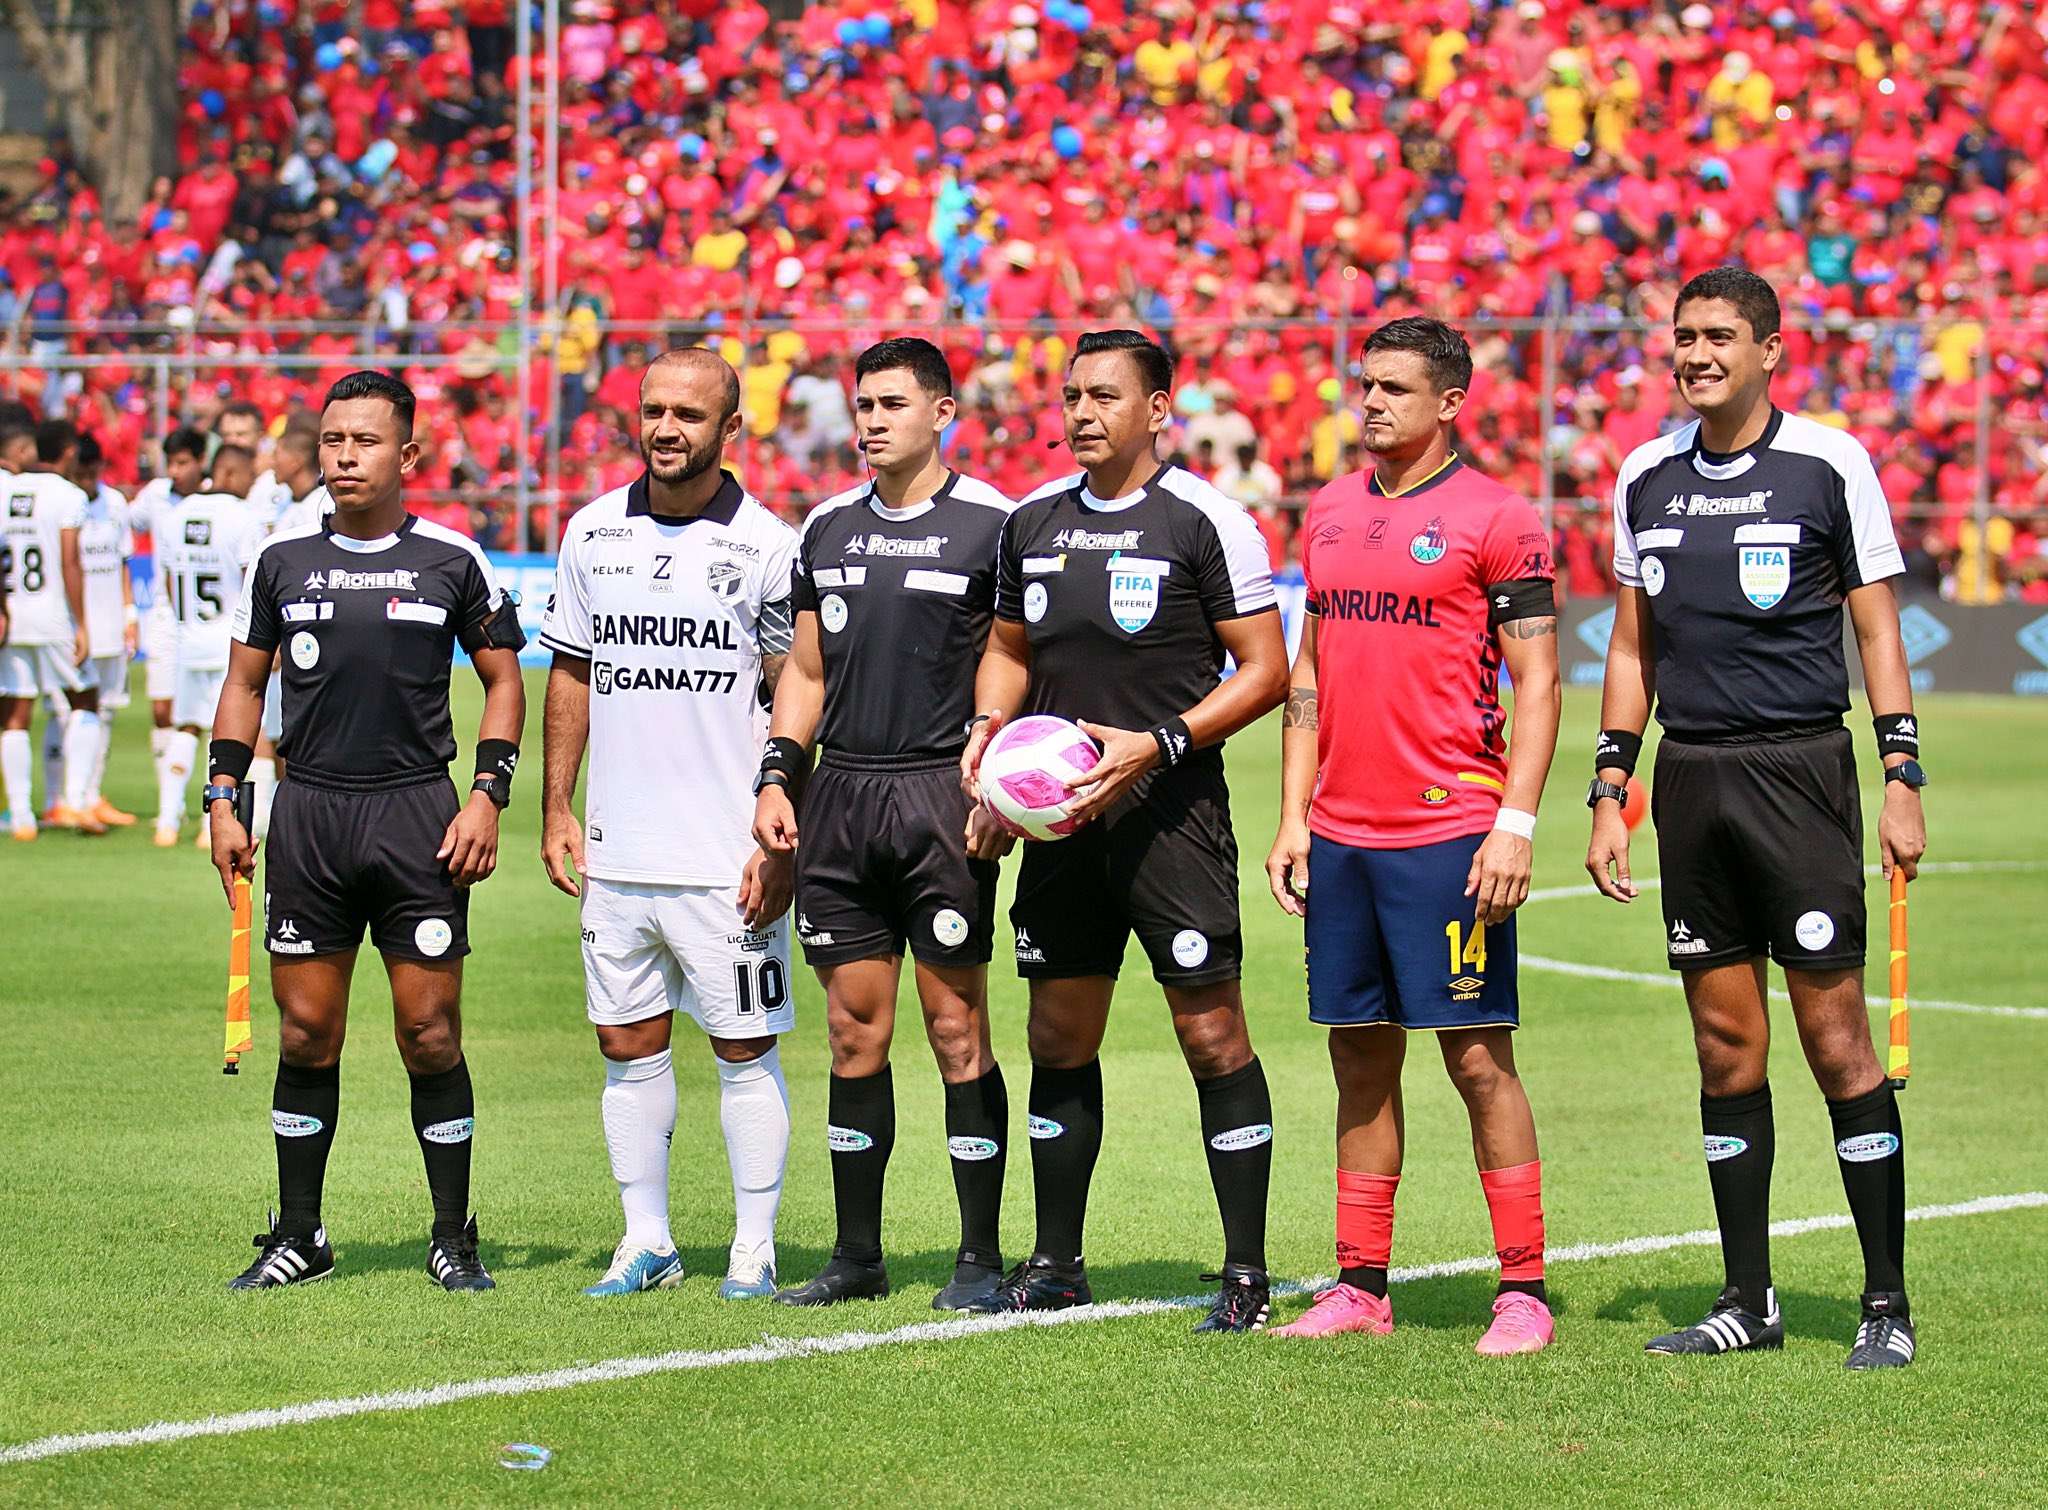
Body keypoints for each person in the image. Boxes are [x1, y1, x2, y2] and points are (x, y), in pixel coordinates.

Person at [1584, 267, 1927, 1369]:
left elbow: (1876, 628)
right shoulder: (1644, 474)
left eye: (1719, 336)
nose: (1695, 354)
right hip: (1690, 779)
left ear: (1769, 350)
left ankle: (1884, 1302)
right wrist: (1609, 789)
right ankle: (1748, 1299)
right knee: (1724, 1045)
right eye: (1683, 336)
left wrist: (1901, 772)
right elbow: (1630, 646)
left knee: (1835, 1039)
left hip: (1800, 772)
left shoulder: (1828, 462)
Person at [958, 329, 1291, 1331]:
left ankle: (1244, 1274)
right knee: (1057, 1035)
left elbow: (1266, 671)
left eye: (1104, 395)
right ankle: (1056, 1263)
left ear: (1157, 410)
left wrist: (1157, 744)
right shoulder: (1031, 522)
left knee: (1210, 1032)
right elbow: (1007, 651)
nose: (1081, 412)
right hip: (1062, 830)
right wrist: (990, 742)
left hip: (1170, 818)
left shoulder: (1208, 521)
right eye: (1071, 396)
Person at [1263, 317, 1564, 1356]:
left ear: (1449, 402)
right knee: (1358, 1058)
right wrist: (1293, 815)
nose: (1372, 402)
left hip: (1450, 831)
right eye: (1366, 385)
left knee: (1477, 1060)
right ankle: (1359, 1286)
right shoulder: (1329, 509)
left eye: (1394, 387)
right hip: (1341, 834)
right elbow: (1306, 673)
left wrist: (1513, 824)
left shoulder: (1499, 517)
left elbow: (1538, 683)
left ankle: (1522, 1289)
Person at [209, 369, 527, 1291]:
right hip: (309, 815)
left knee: (429, 1032)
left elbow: (504, 681)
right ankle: (299, 1235)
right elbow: (244, 683)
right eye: (333, 440)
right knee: (306, 1033)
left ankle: (452, 1236)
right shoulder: (280, 561)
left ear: (408, 455)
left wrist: (487, 796)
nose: (345, 456)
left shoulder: (452, 560)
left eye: (366, 440)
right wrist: (223, 798)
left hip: (416, 817)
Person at [754, 337, 1019, 1311]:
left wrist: (995, 766)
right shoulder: (826, 528)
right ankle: (856, 1256)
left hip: (941, 801)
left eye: (892, 404)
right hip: (843, 798)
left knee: (956, 1028)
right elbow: (805, 672)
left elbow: (1014, 656)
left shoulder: (995, 525)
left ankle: (979, 1258)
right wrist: (777, 778)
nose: (870, 421)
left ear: (942, 412)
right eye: (863, 404)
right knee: (850, 1031)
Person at [539, 350, 800, 1301]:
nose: (665, 428)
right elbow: (571, 671)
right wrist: (557, 805)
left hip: (727, 856)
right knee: (625, 1045)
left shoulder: (769, 546)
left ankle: (754, 1246)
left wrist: (784, 836)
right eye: (653, 409)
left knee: (744, 1047)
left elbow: (799, 695)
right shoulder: (591, 532)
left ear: (730, 429)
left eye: (688, 414)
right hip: (619, 853)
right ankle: (646, 1240)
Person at [155, 444, 265, 848]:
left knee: (185, 727)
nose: (253, 482)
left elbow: (170, 582)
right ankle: (211, 827)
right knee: (228, 733)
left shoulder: (175, 516)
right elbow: (255, 587)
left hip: (188, 639)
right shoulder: (243, 517)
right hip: (230, 646)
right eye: (250, 474)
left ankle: (167, 821)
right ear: (231, 473)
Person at [0, 402, 98, 839]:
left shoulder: (5, 491)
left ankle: (22, 816)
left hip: (13, 613)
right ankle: (73, 802)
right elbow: (69, 561)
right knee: (85, 699)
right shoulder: (67, 495)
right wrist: (81, 623)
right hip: (53, 614)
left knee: (15, 712)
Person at [130, 427, 210, 836]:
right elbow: (124, 522)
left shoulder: (215, 500)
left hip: (203, 622)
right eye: (171, 463)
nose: (175, 472)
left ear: (201, 461)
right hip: (164, 616)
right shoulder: (155, 496)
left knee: (204, 714)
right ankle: (171, 805)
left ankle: (207, 806)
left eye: (183, 463)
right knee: (163, 709)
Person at [63, 431, 138, 827]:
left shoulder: (114, 503)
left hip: (110, 622)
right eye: (80, 475)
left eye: (92, 474)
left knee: (106, 711)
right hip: (75, 625)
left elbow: (123, 562)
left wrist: (129, 614)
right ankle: (65, 796)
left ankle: (92, 794)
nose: (86, 482)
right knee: (71, 709)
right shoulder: (65, 504)